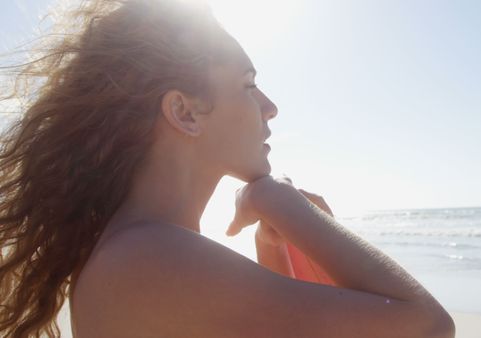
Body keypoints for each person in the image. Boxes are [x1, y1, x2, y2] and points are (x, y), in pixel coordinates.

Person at [0, 0, 455, 337]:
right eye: (249, 84)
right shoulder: (148, 258)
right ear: (185, 113)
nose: (270, 107)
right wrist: (278, 200)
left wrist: (274, 248)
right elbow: (429, 326)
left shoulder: (141, 250)